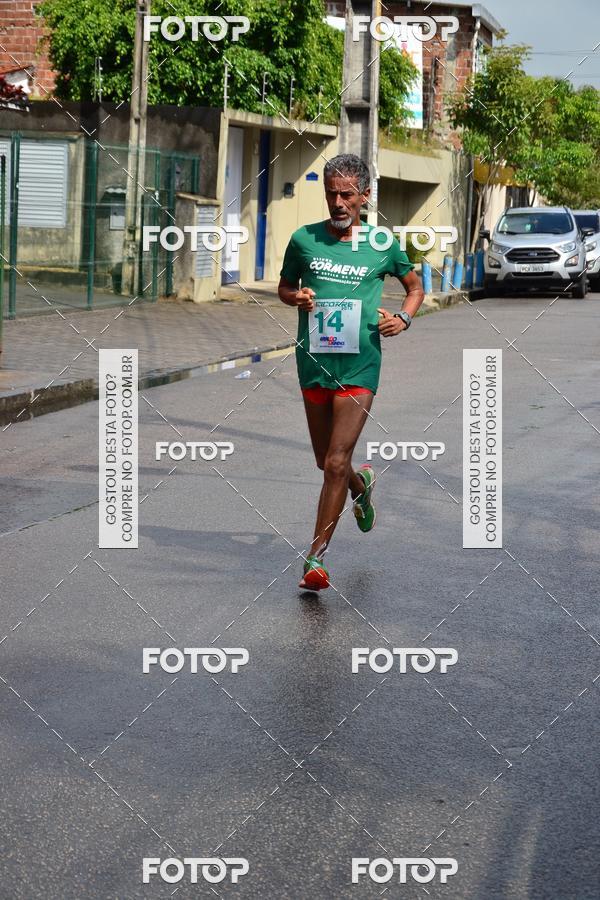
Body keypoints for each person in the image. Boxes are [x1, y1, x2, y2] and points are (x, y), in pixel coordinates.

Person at [278, 154, 424, 591]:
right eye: (331, 193)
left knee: (336, 460)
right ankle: (361, 488)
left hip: (361, 365)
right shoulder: (304, 240)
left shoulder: (382, 244)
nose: (338, 202)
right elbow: (284, 286)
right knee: (327, 462)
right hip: (314, 362)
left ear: (364, 196)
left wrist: (404, 317)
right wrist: (295, 297)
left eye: (347, 194)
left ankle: (315, 559)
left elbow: (415, 287)